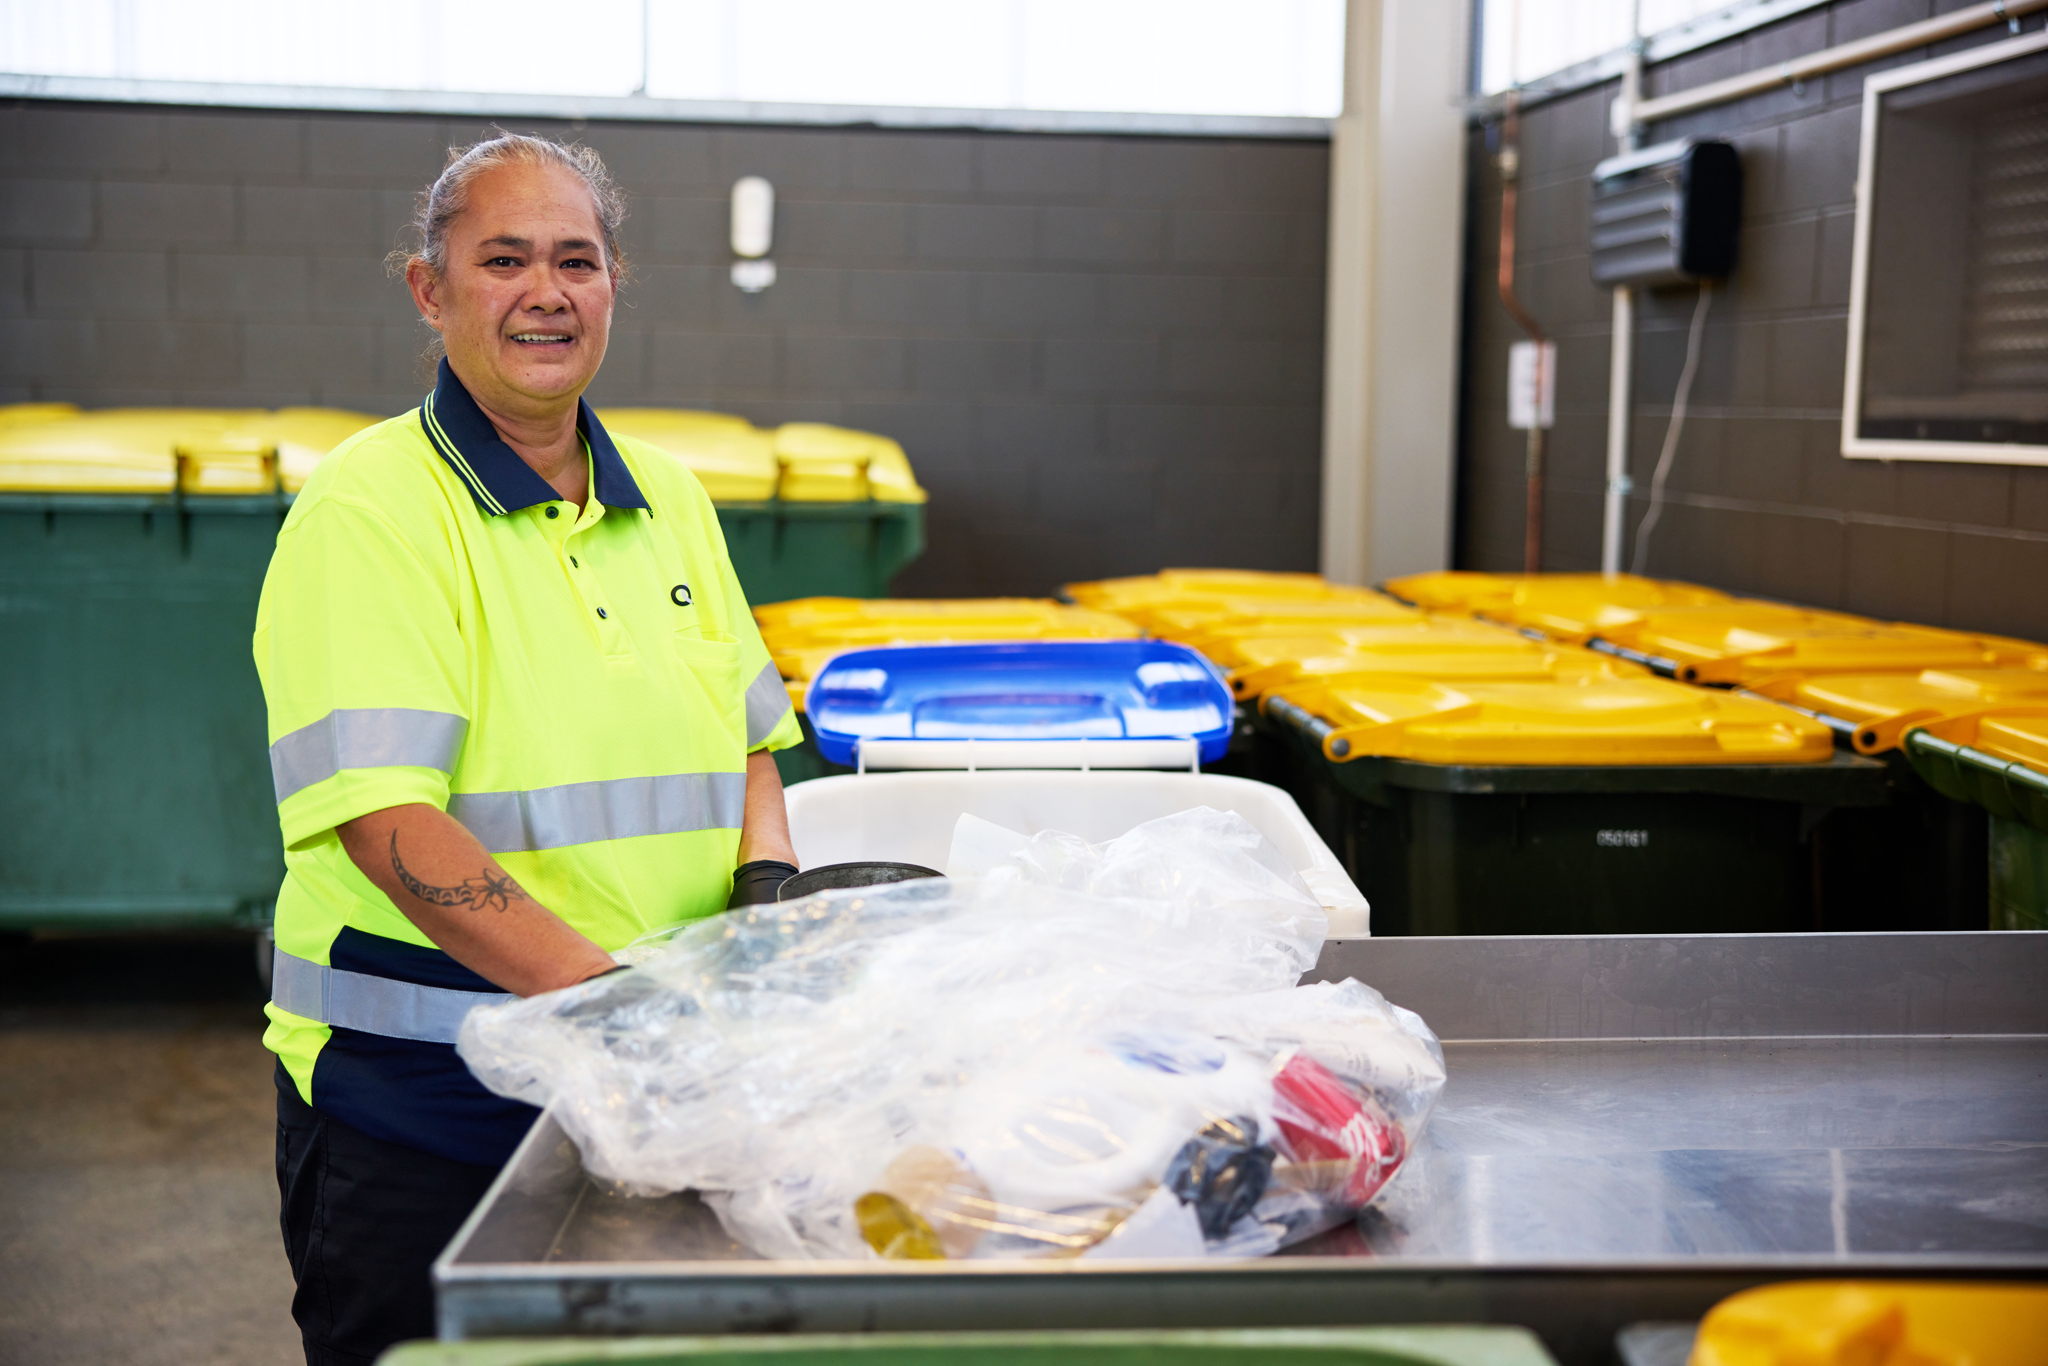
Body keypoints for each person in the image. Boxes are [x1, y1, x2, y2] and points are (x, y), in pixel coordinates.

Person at [254, 131, 803, 1365]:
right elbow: (389, 824)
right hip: (430, 1107)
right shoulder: (371, 509)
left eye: (577, 260)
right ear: (428, 287)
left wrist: (768, 890)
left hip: (654, 1091)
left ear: (613, 285)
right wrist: (614, 1011)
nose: (544, 291)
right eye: (502, 259)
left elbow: (751, 740)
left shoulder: (669, 496)